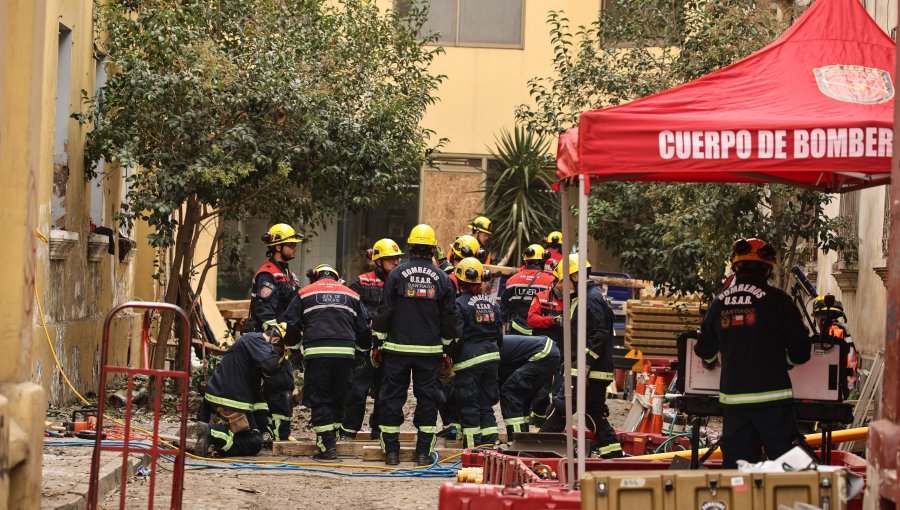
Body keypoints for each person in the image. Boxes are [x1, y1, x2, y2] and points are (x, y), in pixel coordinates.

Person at [694, 238, 812, 469]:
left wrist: (711, 361)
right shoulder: (780, 301)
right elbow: (801, 351)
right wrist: (785, 362)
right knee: (789, 468)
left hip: (735, 404)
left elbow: (704, 349)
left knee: (739, 471)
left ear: (736, 266)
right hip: (774, 403)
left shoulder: (720, 302)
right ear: (767, 269)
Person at [372, 224, 459, 466]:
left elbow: (385, 311)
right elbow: (449, 317)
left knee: (392, 398)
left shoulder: (396, 275)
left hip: (397, 350)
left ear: (410, 246)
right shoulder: (443, 278)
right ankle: (422, 453)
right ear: (433, 248)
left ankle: (391, 453)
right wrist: (446, 348)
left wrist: (378, 343)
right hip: (429, 352)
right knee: (428, 400)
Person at [539, 254, 623, 459]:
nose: (562, 285)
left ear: (575, 275)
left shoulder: (590, 298)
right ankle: (613, 454)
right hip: (590, 370)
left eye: (564, 279)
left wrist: (585, 364)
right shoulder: (587, 296)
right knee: (592, 412)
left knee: (561, 407)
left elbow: (600, 333)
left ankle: (537, 449)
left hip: (587, 370)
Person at [285, 264, 370, 460]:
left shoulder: (305, 293)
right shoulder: (351, 294)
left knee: (320, 398)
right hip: (345, 355)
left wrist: (295, 351)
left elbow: (291, 325)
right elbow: (364, 329)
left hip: (317, 354)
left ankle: (327, 446)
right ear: (336, 277)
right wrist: (360, 353)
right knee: (339, 397)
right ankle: (333, 440)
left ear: (315, 277)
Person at [190, 325, 289, 457]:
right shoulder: (254, 339)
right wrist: (280, 364)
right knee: (253, 443)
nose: (277, 356)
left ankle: (212, 437)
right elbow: (271, 364)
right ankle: (212, 432)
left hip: (230, 399)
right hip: (229, 400)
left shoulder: (252, 352)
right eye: (278, 351)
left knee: (254, 439)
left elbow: (258, 397)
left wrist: (264, 428)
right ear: (275, 340)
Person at [244, 223, 303, 443]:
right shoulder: (267, 275)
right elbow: (263, 310)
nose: (294, 248)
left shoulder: (288, 274)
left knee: (282, 386)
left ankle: (277, 434)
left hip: (283, 341)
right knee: (276, 386)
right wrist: (276, 338)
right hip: (268, 342)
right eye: (290, 244)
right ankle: (273, 434)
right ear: (278, 247)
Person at [340, 239, 404, 440]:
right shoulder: (361, 282)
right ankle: (349, 432)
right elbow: (349, 309)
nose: (396, 263)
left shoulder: (401, 282)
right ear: (378, 261)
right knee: (357, 391)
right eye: (391, 259)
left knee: (385, 392)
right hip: (365, 347)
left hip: (389, 347)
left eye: (397, 259)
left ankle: (378, 431)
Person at [448, 257, 502, 448]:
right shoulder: (492, 303)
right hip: (492, 358)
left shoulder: (459, 304)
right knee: (486, 405)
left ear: (460, 281)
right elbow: (499, 334)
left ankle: (473, 451)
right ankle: (490, 445)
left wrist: (451, 356)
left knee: (470, 406)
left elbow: (457, 336)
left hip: (469, 361)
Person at [498, 335, 561, 438]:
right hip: (547, 352)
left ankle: (516, 440)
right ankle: (523, 438)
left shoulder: (488, 352)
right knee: (521, 399)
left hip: (542, 353)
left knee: (511, 394)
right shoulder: (490, 348)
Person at [501, 244, 555, 336]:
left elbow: (506, 304)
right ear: (543, 261)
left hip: (517, 332)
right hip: (540, 334)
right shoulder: (550, 281)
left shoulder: (511, 281)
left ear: (526, 261)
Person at [812, 296, 858, 399]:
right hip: (836, 383)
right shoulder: (841, 330)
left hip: (835, 383)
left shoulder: (836, 331)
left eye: (817, 317)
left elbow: (850, 360)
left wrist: (849, 386)